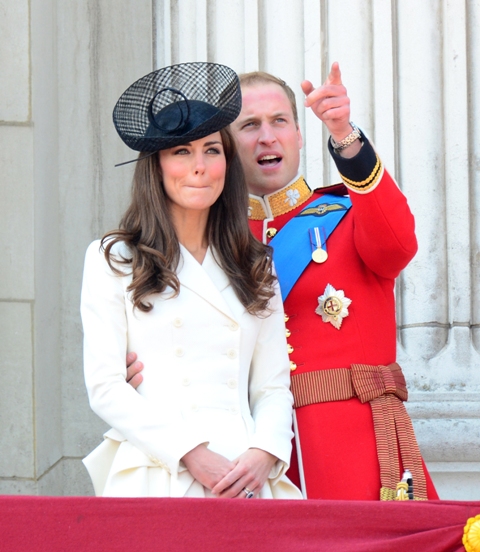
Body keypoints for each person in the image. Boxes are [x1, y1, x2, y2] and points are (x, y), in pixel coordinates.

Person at [126, 62, 439, 501]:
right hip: (245, 454)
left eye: (279, 121)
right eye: (249, 125)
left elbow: (399, 245)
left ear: (298, 134)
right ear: (226, 147)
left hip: (351, 451)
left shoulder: (348, 216)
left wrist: (345, 135)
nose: (267, 137)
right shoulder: (203, 244)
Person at [81, 61, 302, 500]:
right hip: (157, 471)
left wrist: (264, 452)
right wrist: (191, 454)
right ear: (156, 166)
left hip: (246, 479)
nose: (199, 166)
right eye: (181, 151)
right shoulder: (115, 257)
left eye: (212, 150)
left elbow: (273, 386)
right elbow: (105, 387)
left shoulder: (256, 263)